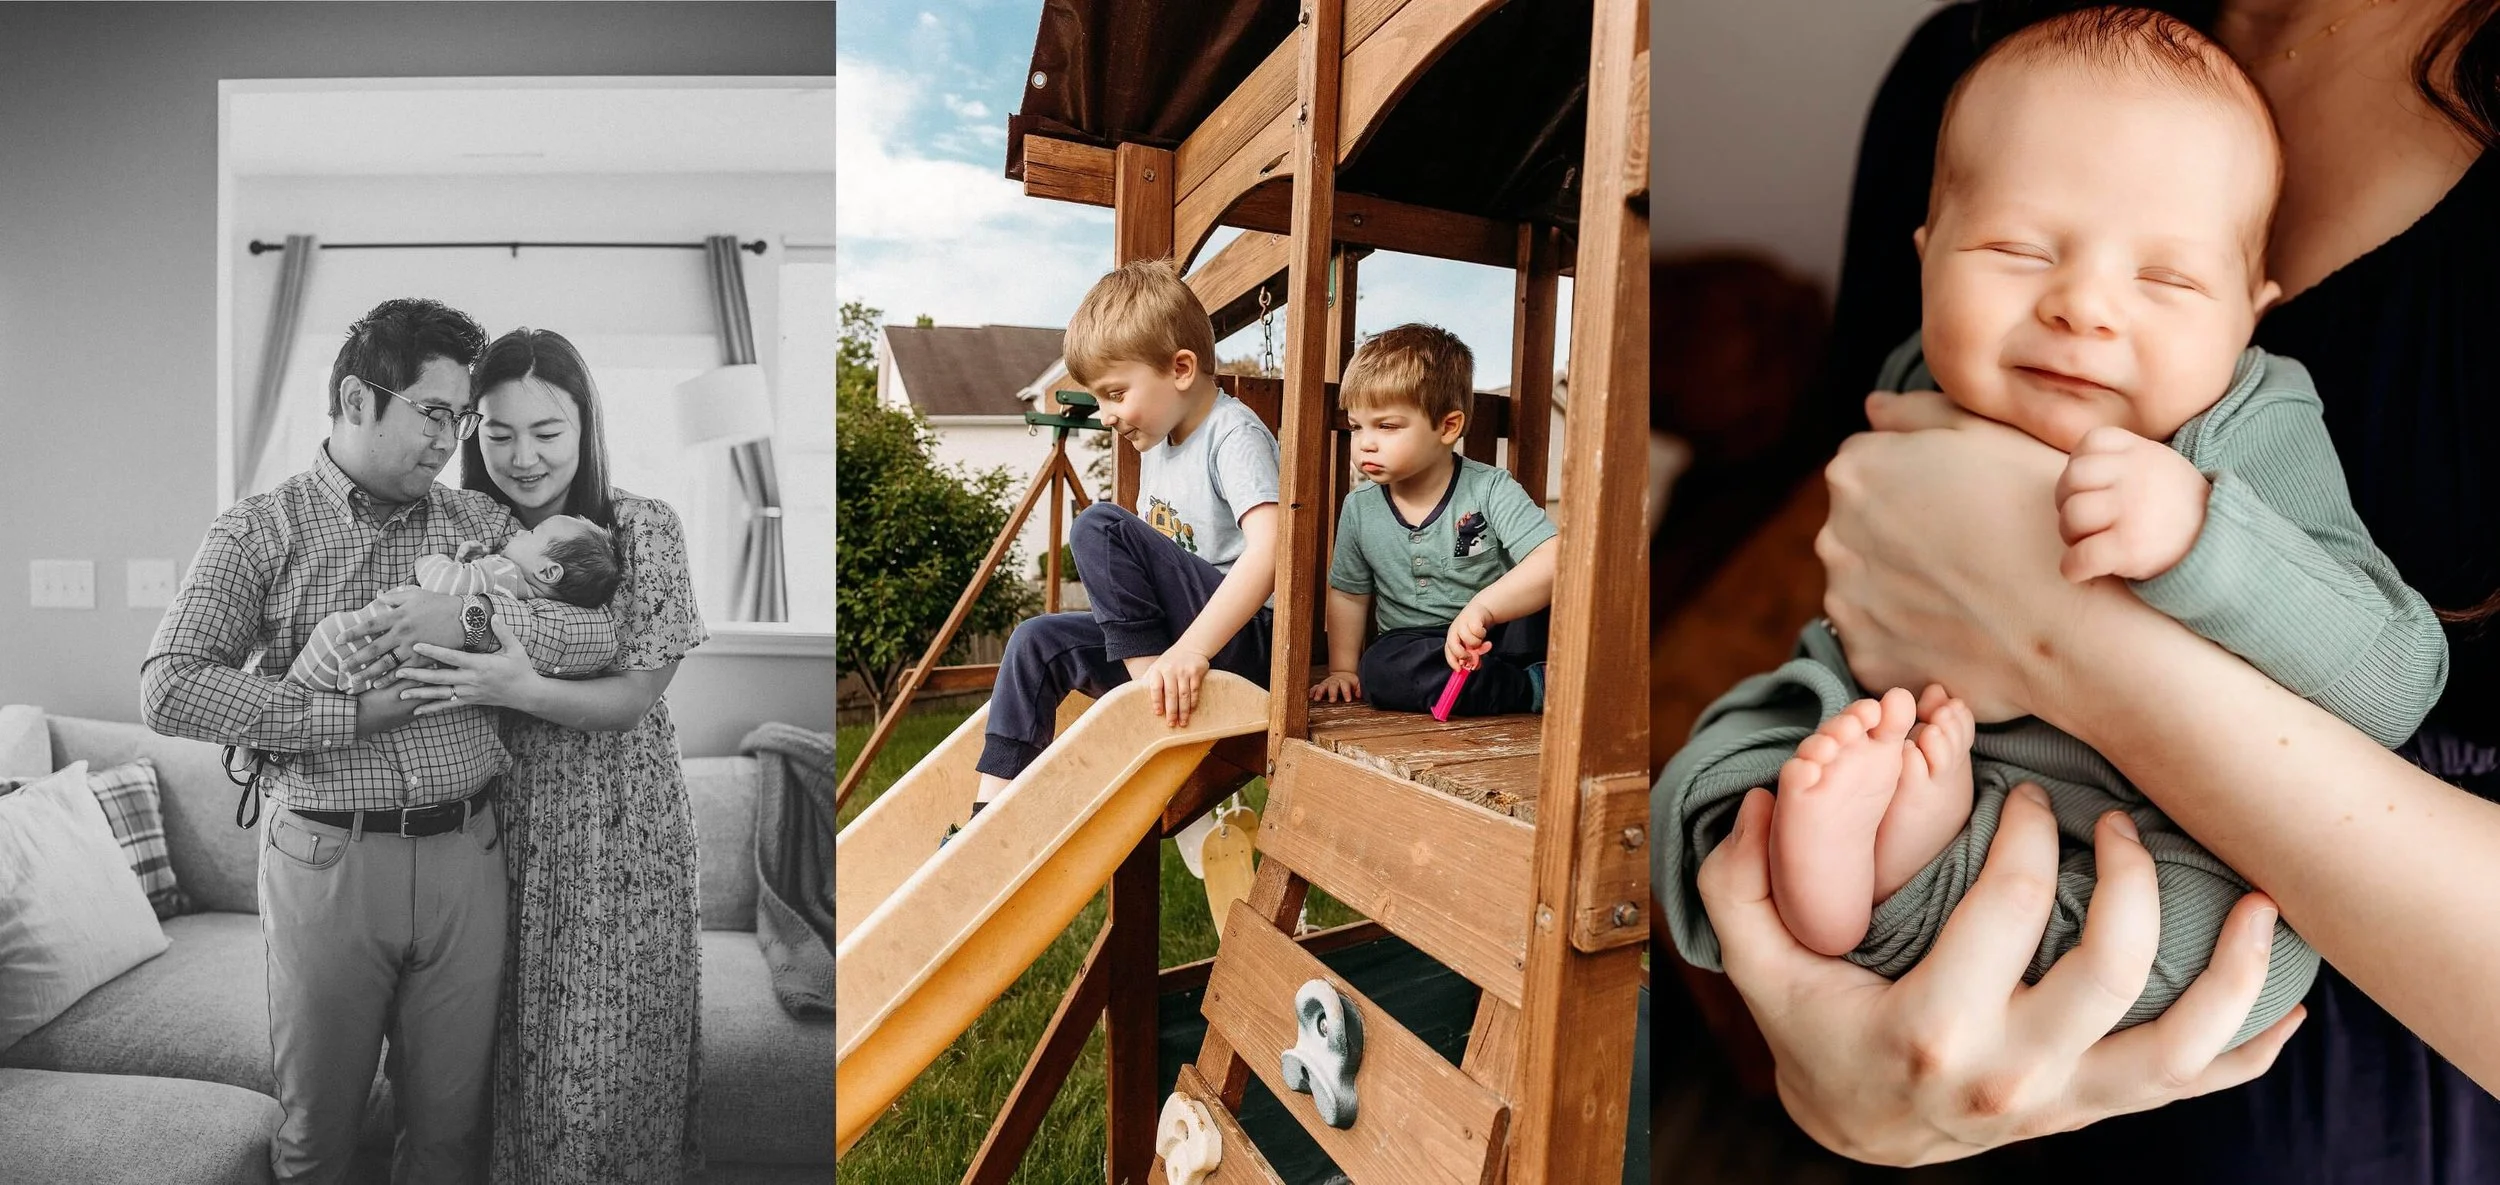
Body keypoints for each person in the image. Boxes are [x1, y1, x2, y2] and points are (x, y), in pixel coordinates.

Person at [1683, 0, 2500, 1176]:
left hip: (2277, 993)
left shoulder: (2252, 424)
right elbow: (1846, 556)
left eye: (2169, 278)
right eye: (2015, 251)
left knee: (2244, 949)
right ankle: (1846, 890)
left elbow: (2388, 671)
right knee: (1730, 767)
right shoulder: (1980, 64)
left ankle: (1879, 889)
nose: (2081, 306)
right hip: (1924, 769)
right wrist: (1836, 1073)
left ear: (2252, 312)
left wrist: (2188, 548)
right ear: (1931, 253)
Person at [139, 298, 621, 1184]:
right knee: (318, 1137)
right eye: (435, 414)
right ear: (360, 401)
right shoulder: (258, 530)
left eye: (461, 419)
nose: (453, 441)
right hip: (326, 860)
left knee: (447, 1138)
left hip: (468, 859)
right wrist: (350, 719)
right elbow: (168, 687)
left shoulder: (477, 525)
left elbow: (599, 639)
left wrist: (470, 615)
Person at [385, 328, 708, 1184]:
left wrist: (514, 684)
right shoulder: (458, 529)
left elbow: (636, 694)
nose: (522, 457)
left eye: (547, 432)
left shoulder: (640, 527)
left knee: (590, 1078)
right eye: (497, 433)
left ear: (585, 426)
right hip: (486, 834)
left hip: (615, 833)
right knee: (476, 1078)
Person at [966, 258, 1281, 819]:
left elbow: (1271, 551)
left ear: (1180, 368)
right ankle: (989, 812)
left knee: (1097, 525)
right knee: (1035, 641)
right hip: (1177, 649)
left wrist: (1188, 652)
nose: (1107, 416)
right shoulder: (1159, 445)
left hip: (1246, 639)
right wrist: (1175, 653)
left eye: (1115, 394)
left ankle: (1146, 695)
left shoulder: (1231, 435)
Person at [1309, 323, 1557, 715]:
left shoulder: (1489, 488)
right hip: (1417, 643)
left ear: (1447, 426)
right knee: (1380, 670)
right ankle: (1531, 688)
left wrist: (1484, 609)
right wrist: (1343, 667)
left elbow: (1552, 558)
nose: (1365, 442)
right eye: (1356, 427)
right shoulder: (1359, 508)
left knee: (1557, 601)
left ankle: (1508, 678)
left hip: (1497, 633)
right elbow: (1349, 594)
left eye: (1386, 426)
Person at [289, 514, 621, 692]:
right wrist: (472, 565)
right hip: (400, 663)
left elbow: (443, 584)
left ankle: (289, 691)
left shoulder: (504, 572)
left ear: (548, 571)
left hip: (364, 635)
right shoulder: (522, 596)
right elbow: (467, 588)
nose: (518, 534)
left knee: (327, 636)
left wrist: (429, 562)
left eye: (530, 533)